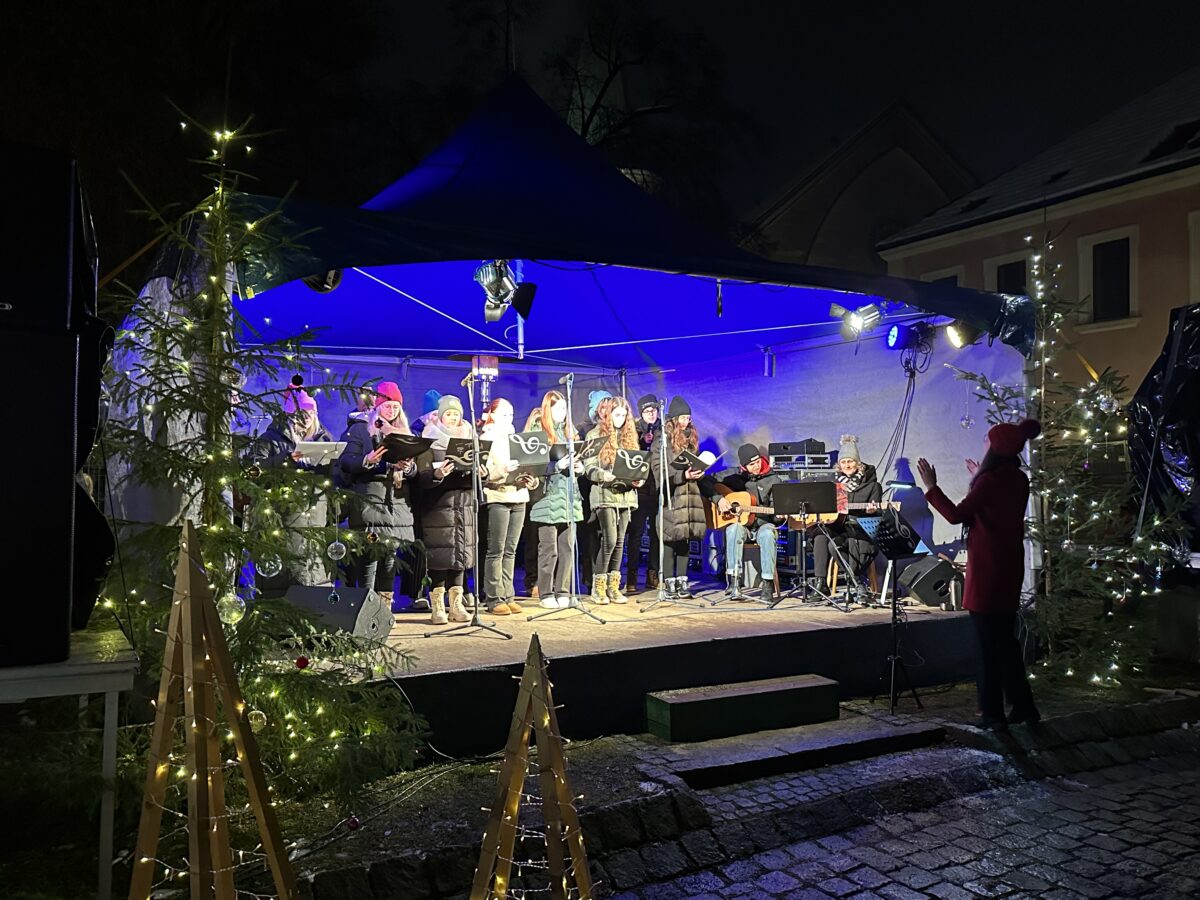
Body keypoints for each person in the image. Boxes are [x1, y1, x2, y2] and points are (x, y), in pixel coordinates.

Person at [918, 419, 1041, 731]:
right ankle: (1023, 707)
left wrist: (932, 487)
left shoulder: (990, 482)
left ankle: (992, 713)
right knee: (1006, 643)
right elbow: (994, 507)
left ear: (995, 448)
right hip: (1008, 566)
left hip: (988, 569)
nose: (984, 444)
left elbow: (956, 515)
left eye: (987, 440)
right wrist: (977, 479)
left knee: (987, 647)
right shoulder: (1017, 478)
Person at [337, 381, 415, 607]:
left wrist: (408, 468)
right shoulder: (361, 429)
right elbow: (346, 462)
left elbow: (415, 470)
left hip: (396, 501)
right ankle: (366, 608)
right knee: (369, 556)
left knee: (390, 557)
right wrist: (369, 460)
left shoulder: (404, 432)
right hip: (370, 500)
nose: (392, 411)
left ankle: (384, 609)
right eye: (387, 406)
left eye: (396, 407)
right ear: (378, 406)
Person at [254, 380, 335, 589]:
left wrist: (333, 462)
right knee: (290, 567)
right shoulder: (271, 438)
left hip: (316, 513)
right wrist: (287, 460)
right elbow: (255, 471)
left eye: (310, 413)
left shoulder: (324, 438)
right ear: (290, 414)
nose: (306, 418)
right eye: (301, 413)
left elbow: (335, 477)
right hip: (284, 514)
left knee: (313, 566)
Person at [418, 395, 479, 625]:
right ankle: (437, 605)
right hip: (439, 506)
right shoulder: (429, 439)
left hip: (464, 505)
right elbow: (422, 476)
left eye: (456, 414)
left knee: (460, 555)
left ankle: (456, 604)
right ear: (440, 416)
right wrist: (437, 474)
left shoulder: (471, 439)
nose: (453, 418)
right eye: (448, 414)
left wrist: (481, 474)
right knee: (440, 556)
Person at [480, 398, 538, 615]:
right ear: (493, 415)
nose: (509, 418)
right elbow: (484, 473)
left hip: (519, 496)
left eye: (511, 414)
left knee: (511, 550)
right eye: (504, 414)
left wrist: (532, 480)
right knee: (496, 549)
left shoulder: (517, 438)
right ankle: (494, 597)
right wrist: (503, 470)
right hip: (498, 496)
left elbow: (531, 466)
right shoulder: (486, 438)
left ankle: (508, 595)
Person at [528, 390, 585, 609]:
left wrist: (579, 468)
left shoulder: (569, 433)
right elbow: (532, 466)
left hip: (569, 498)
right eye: (558, 408)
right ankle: (545, 592)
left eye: (564, 408)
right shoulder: (538, 432)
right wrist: (556, 466)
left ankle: (563, 591)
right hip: (546, 498)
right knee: (548, 549)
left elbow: (580, 461)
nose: (563, 412)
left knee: (567, 548)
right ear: (548, 409)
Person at [583, 396, 642, 604]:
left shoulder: (629, 436)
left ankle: (613, 587)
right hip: (604, 494)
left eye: (624, 415)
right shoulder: (595, 434)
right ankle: (598, 587)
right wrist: (602, 475)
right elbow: (589, 466)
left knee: (620, 542)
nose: (620, 419)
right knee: (609, 539)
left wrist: (638, 479)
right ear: (608, 414)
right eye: (617, 414)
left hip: (625, 495)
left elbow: (636, 464)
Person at [649, 396, 707, 599]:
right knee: (669, 538)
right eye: (683, 418)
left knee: (684, 538)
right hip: (671, 496)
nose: (686, 422)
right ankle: (668, 582)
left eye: (689, 418)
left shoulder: (691, 440)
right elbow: (658, 471)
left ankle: (682, 581)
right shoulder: (662, 440)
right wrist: (682, 475)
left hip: (689, 496)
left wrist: (698, 472)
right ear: (673, 419)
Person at [713, 443, 784, 602]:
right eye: (752, 464)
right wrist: (719, 499)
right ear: (743, 467)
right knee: (733, 530)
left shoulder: (773, 479)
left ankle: (767, 584)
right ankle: (734, 581)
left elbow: (777, 513)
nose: (756, 466)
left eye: (758, 462)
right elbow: (709, 482)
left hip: (764, 524)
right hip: (743, 525)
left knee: (767, 534)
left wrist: (779, 516)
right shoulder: (733, 477)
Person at [811, 435, 882, 594]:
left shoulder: (872, 486)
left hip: (859, 529)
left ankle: (855, 580)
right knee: (820, 535)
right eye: (843, 462)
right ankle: (821, 583)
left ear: (858, 463)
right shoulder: (833, 484)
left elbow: (878, 513)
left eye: (850, 461)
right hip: (838, 526)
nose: (847, 465)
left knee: (834, 545)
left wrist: (872, 511)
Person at [625, 394, 661, 594]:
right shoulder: (634, 429)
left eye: (654, 410)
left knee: (656, 532)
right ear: (641, 413)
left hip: (657, 487)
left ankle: (652, 573)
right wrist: (641, 440)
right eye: (647, 411)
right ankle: (631, 576)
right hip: (640, 488)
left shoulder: (663, 430)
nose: (651, 414)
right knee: (636, 534)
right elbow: (628, 453)